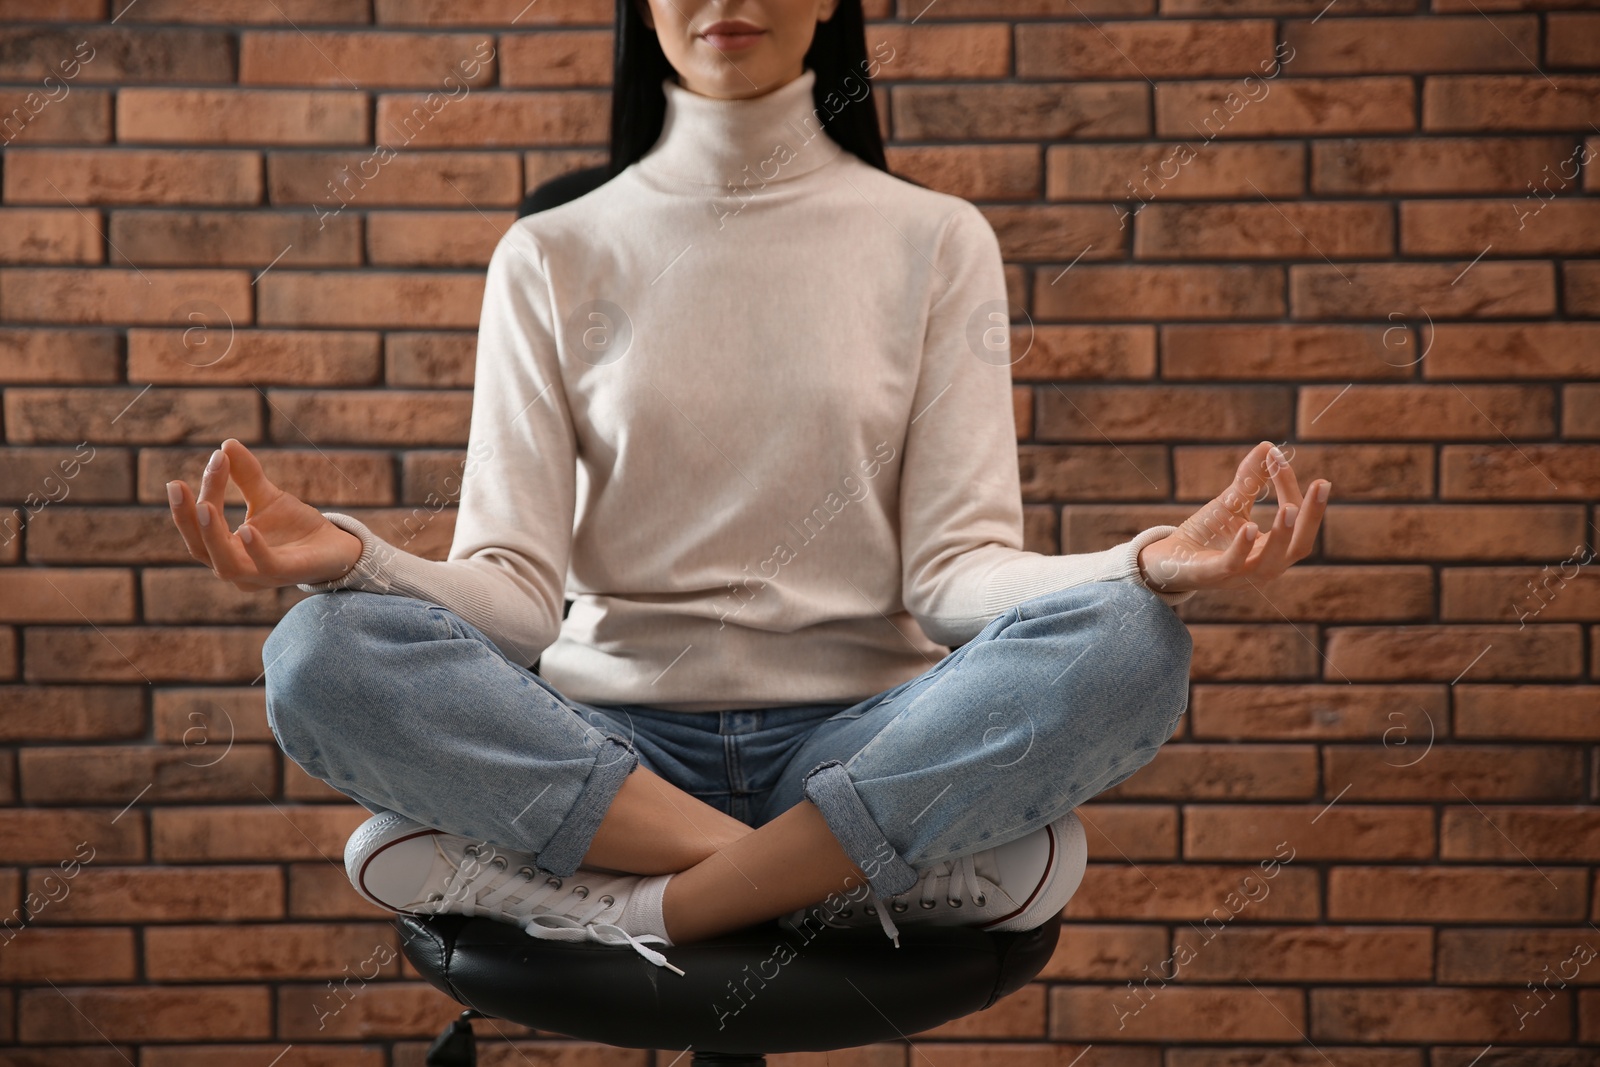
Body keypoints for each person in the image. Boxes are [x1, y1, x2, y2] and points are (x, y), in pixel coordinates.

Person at [165, 0, 1330, 977]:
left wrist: (1145, 562)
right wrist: (352, 557)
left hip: (862, 733)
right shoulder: (552, 253)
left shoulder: (935, 239)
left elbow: (956, 577)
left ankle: (638, 905)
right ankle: (834, 873)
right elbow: (516, 595)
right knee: (320, 649)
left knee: (1131, 641)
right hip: (611, 740)